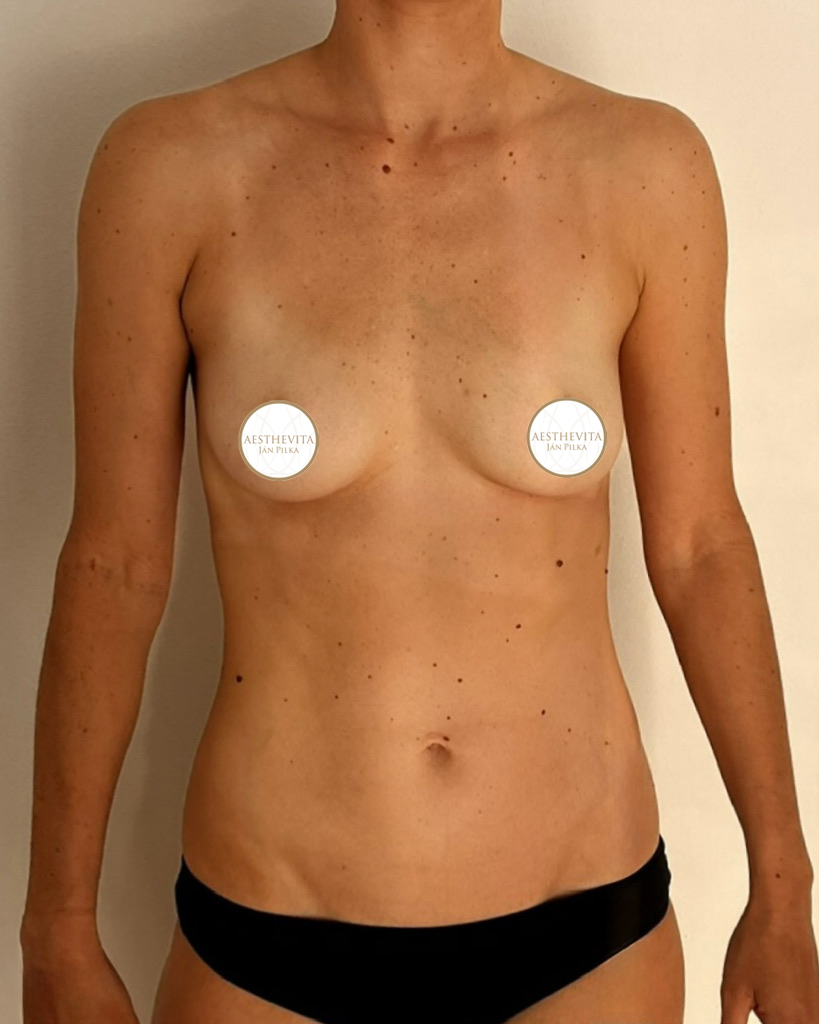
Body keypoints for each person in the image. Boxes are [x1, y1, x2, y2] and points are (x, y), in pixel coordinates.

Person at [19, 1, 819, 1022]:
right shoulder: (171, 168)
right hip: (267, 929)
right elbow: (114, 568)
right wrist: (55, 925)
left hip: (585, 926)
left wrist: (783, 885)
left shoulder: (642, 170)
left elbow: (702, 547)